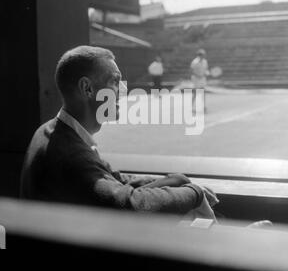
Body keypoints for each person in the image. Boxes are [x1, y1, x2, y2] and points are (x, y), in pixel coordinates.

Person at [20, 46, 218, 217]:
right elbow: (128, 206)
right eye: (115, 81)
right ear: (87, 88)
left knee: (178, 181)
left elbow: (113, 178)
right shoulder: (69, 154)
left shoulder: (51, 131)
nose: (123, 90)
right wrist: (194, 193)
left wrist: (176, 183)